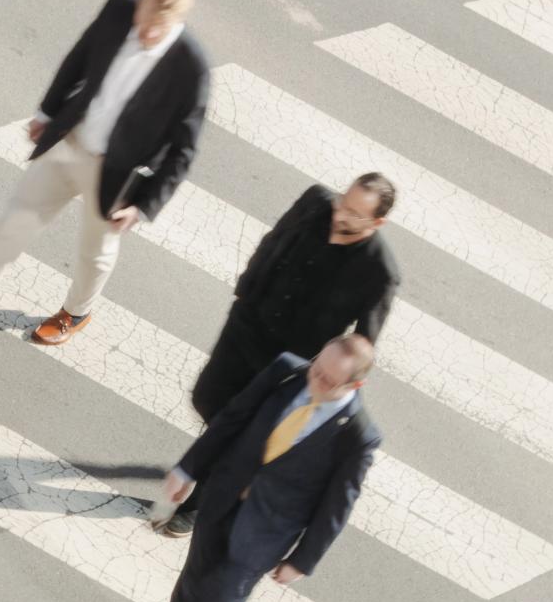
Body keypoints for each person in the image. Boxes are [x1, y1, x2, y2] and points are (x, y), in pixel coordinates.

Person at [0, 0, 211, 353]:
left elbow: (185, 149)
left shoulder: (191, 69)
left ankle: (76, 313)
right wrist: (48, 112)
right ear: (141, 1)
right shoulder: (119, 10)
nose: (146, 33)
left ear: (176, 23)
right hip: (69, 143)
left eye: (156, 30)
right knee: (8, 232)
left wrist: (144, 206)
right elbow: (79, 58)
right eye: (143, 22)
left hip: (115, 174)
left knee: (94, 254)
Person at [120, 335, 381, 602]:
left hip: (269, 530)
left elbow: (337, 505)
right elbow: (232, 419)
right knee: (192, 584)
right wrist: (188, 468)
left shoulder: (357, 436)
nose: (315, 380)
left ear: (354, 385)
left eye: (328, 380)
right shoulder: (286, 371)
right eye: (316, 368)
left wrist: (303, 559)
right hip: (221, 500)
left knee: (222, 596)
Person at [160, 174, 400, 538]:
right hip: (247, 325)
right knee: (206, 398)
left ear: (377, 222)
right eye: (343, 201)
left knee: (240, 426)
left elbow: (363, 342)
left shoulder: (380, 271)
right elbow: (273, 242)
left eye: (354, 213)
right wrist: (245, 293)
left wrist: (328, 381)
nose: (341, 213)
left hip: (287, 361)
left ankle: (201, 501)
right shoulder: (316, 202)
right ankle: (211, 459)